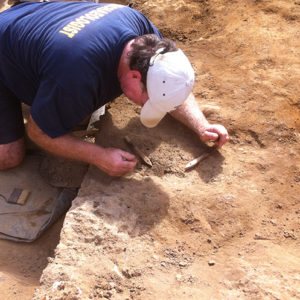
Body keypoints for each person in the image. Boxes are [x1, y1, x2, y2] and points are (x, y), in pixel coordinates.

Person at [0, 1, 229, 176]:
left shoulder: (145, 40)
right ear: (134, 75)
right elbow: (38, 132)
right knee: (9, 155)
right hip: (9, 49)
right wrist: (99, 156)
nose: (142, 106)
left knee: (77, 112)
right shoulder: (77, 74)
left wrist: (201, 125)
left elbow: (171, 86)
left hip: (29, 24)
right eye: (146, 101)